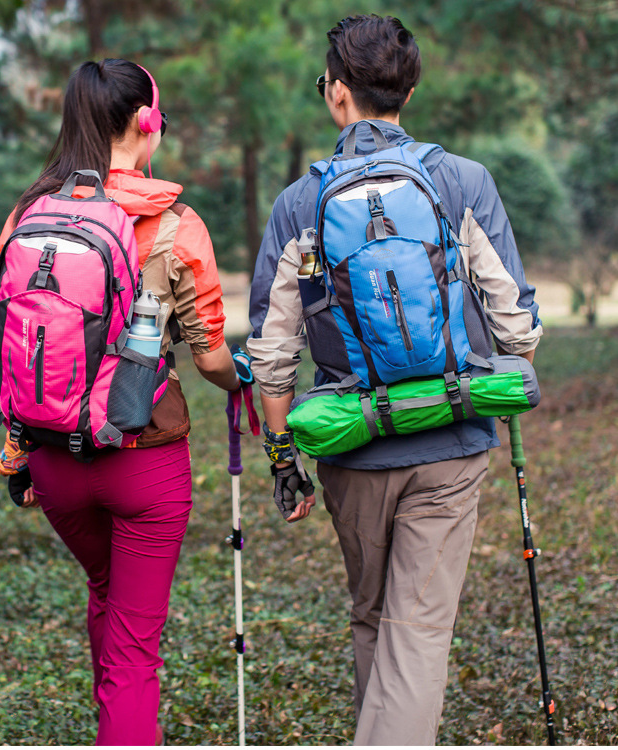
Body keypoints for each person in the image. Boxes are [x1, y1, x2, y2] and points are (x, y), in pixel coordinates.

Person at [247, 15, 542, 746]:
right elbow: (518, 330)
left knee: (374, 617)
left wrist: (285, 460)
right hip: (452, 435)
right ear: (409, 90)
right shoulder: (463, 181)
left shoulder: (298, 204)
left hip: (351, 446)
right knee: (417, 630)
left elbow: (272, 355)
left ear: (336, 92)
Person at [0, 59, 250, 746]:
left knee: (106, 591)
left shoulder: (29, 214)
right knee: (136, 648)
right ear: (148, 122)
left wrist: (17, 450)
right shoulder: (175, 225)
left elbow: (13, 338)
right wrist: (241, 381)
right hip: (144, 464)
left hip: (49, 462)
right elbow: (211, 355)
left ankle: (114, 715)